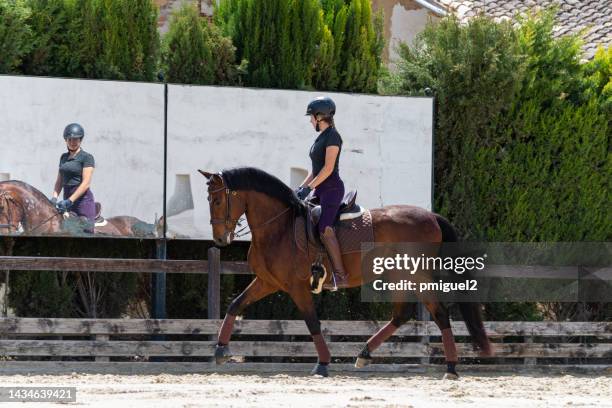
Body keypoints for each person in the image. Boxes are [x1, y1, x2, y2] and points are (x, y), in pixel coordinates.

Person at [296, 96, 347, 287]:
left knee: (325, 230)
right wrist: (301, 188)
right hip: (319, 189)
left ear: (320, 116)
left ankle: (341, 276)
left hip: (332, 190)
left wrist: (309, 188)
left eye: (311, 117)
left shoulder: (333, 136)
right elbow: (315, 170)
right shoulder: (321, 137)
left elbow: (327, 169)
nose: (310, 120)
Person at [51, 123, 96, 232]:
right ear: (66, 140)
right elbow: (59, 181)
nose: (72, 142)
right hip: (67, 200)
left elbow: (86, 183)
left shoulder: (87, 157)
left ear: (80, 140)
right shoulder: (63, 157)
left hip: (83, 202)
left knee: (86, 231)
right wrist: (54, 197)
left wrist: (70, 201)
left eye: (76, 139)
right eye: (69, 139)